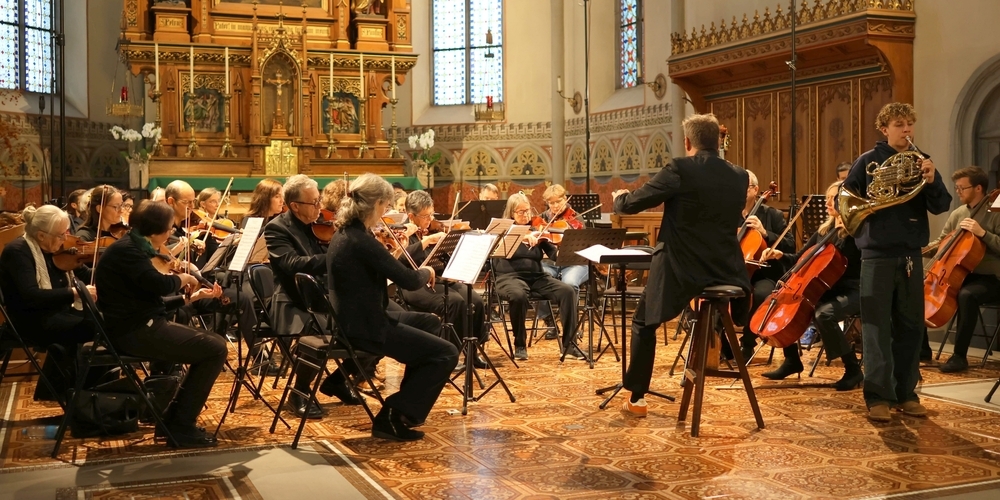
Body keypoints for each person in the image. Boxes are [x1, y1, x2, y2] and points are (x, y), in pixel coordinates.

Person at [265, 175, 440, 418]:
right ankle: (300, 391)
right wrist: (344, 257)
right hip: (297, 299)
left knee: (391, 316)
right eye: (313, 202)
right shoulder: (277, 228)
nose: (320, 206)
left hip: (336, 292)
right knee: (327, 328)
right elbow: (292, 264)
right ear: (295, 206)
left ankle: (339, 379)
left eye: (319, 200)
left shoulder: (328, 224)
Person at [612, 113, 750, 417]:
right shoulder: (740, 175)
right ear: (718, 141)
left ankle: (637, 398)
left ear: (688, 142)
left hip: (683, 268)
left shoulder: (679, 168)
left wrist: (619, 199)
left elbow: (635, 203)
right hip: (726, 269)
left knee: (643, 322)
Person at [327, 173, 458, 441]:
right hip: (366, 327)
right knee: (445, 353)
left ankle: (406, 403)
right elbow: (409, 280)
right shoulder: (361, 241)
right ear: (375, 205)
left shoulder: (346, 233)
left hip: (354, 319)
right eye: (385, 206)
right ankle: (394, 414)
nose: (386, 212)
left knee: (430, 323)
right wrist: (426, 270)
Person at [842, 102, 951, 422]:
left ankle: (906, 392)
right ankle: (878, 396)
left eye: (909, 124)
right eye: (899, 124)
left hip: (910, 254)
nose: (906, 130)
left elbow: (942, 205)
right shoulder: (867, 162)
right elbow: (847, 202)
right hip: (876, 255)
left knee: (911, 326)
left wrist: (932, 181)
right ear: (884, 129)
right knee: (876, 329)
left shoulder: (921, 162)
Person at [95, 200, 227, 448]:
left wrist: (189, 297)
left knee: (212, 345)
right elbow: (158, 285)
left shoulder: (135, 246)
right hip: (133, 331)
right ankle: (180, 425)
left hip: (138, 323)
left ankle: (174, 420)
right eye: (168, 228)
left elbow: (147, 298)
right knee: (215, 349)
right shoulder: (128, 251)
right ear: (156, 231)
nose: (170, 233)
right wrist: (184, 278)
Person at [758, 181, 864, 390]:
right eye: (827, 198)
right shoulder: (825, 230)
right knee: (786, 304)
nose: (827, 203)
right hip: (826, 288)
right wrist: (780, 255)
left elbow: (845, 263)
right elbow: (800, 259)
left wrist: (845, 232)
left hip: (852, 289)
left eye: (833, 198)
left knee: (823, 314)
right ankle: (791, 361)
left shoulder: (857, 232)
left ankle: (852, 369)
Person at [0, 205, 97, 401]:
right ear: (41, 236)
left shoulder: (57, 252)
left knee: (103, 320)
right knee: (95, 326)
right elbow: (31, 296)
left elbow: (86, 275)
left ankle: (83, 391)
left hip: (57, 314)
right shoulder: (18, 252)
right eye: (61, 234)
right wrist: (74, 293)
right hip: (30, 320)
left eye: (67, 232)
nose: (65, 238)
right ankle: (76, 395)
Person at [399, 190, 488, 368]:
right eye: (425, 216)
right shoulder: (403, 233)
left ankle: (472, 353)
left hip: (441, 279)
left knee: (476, 300)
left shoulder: (433, 228)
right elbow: (400, 259)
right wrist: (425, 241)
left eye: (432, 214)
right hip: (415, 284)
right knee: (454, 302)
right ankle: (450, 354)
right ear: (411, 216)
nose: (430, 220)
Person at [926, 166, 1000, 373]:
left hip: (992, 278)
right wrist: (920, 250)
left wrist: (983, 233)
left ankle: (959, 356)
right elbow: (942, 243)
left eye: (961, 188)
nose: (957, 191)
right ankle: (922, 350)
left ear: (978, 188)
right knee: (914, 288)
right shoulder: (958, 213)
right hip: (963, 274)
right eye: (956, 187)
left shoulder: (996, 212)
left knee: (966, 295)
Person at [494, 192, 583, 362]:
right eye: (520, 212)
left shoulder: (537, 230)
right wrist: (523, 236)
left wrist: (567, 247)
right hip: (509, 278)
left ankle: (569, 346)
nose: (526, 215)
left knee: (567, 291)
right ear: (511, 213)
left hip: (537, 277)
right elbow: (497, 248)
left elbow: (555, 255)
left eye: (527, 211)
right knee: (518, 296)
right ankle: (520, 345)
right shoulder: (503, 230)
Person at [740, 169, 795, 360]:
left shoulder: (772, 215)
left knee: (762, 294)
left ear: (756, 190)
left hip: (766, 273)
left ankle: (747, 343)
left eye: (745, 186)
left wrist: (765, 233)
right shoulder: (729, 214)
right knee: (717, 295)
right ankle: (722, 344)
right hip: (738, 272)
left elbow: (790, 244)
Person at [535, 184, 588, 339]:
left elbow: (582, 245)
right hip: (550, 264)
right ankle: (549, 321)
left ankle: (570, 326)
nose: (555, 206)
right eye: (551, 203)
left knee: (570, 284)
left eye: (558, 201)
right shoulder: (542, 218)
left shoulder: (575, 218)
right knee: (534, 278)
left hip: (575, 262)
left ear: (565, 199)